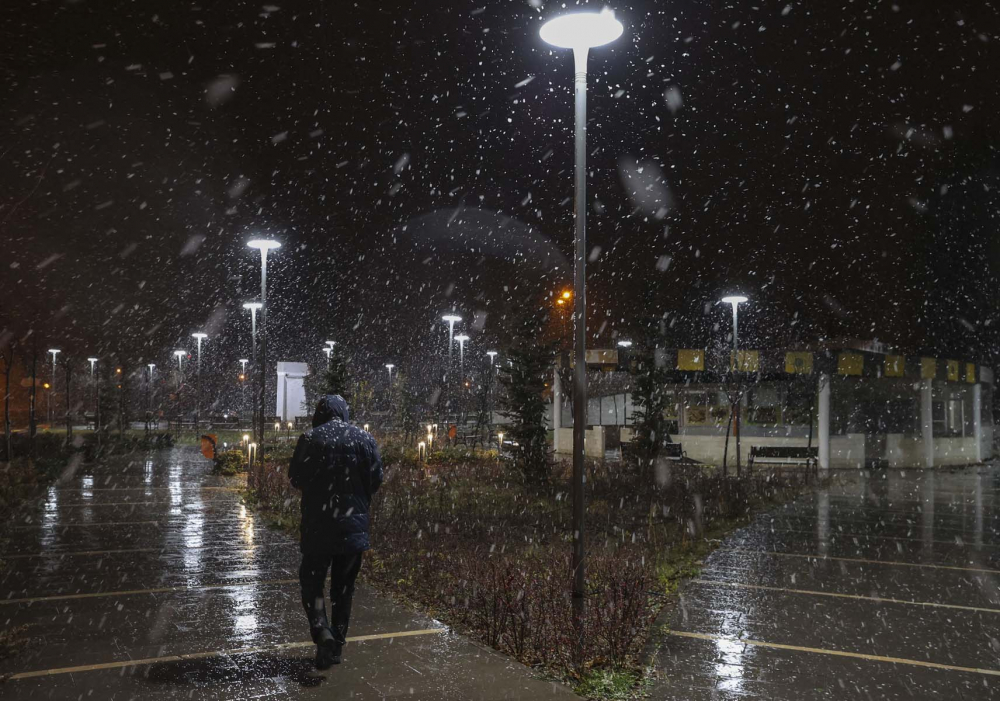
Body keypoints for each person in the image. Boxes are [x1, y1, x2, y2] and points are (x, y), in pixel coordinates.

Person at [289, 394, 383, 670]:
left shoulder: (310, 438)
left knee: (312, 583)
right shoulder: (364, 439)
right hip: (353, 527)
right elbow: (375, 478)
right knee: (344, 589)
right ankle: (337, 644)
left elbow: (296, 477)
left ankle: (322, 632)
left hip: (318, 527)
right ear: (344, 413)